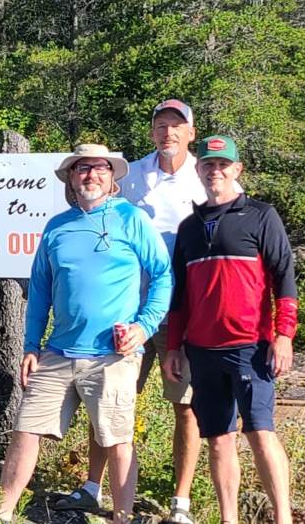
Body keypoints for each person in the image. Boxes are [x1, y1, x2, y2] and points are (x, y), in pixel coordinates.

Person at [0, 144, 173, 524]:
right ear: (70, 177)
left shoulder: (131, 219)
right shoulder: (57, 226)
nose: (91, 175)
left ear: (113, 177)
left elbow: (163, 276)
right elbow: (39, 290)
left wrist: (144, 325)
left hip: (112, 355)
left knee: (117, 440)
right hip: (58, 351)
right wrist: (31, 346)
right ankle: (0, 515)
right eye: (82, 168)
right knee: (25, 430)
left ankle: (121, 517)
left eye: (100, 168)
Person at [58, 99, 205, 523]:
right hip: (126, 307)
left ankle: (181, 502)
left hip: (184, 309)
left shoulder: (205, 176)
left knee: (186, 405)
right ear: (152, 132)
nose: (168, 134)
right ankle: (92, 486)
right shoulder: (133, 175)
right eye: (161, 126)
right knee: (108, 399)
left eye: (176, 127)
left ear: (190, 133)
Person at [163, 135, 297, 524]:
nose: (214, 171)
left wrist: (284, 335)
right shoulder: (188, 227)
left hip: (250, 346)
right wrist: (174, 346)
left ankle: (283, 517)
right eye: (208, 165)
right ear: (198, 170)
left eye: (223, 165)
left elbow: (284, 277)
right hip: (202, 350)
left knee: (260, 433)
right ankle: (228, 519)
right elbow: (180, 296)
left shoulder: (261, 215)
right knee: (219, 440)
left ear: (237, 170)